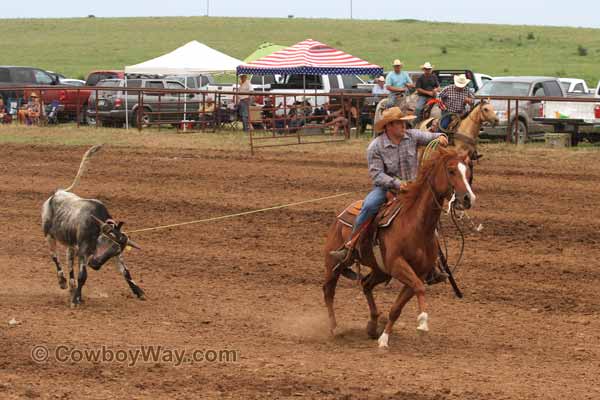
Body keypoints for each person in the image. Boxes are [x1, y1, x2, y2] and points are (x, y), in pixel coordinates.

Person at [330, 107, 448, 263]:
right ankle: (351, 246)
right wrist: (399, 185)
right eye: (400, 123)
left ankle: (434, 261)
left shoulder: (412, 136)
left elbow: (434, 136)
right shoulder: (376, 146)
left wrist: (441, 137)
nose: (404, 126)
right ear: (389, 126)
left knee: (428, 214)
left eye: (403, 122)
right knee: (369, 206)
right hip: (386, 189)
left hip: (413, 188)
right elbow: (377, 175)